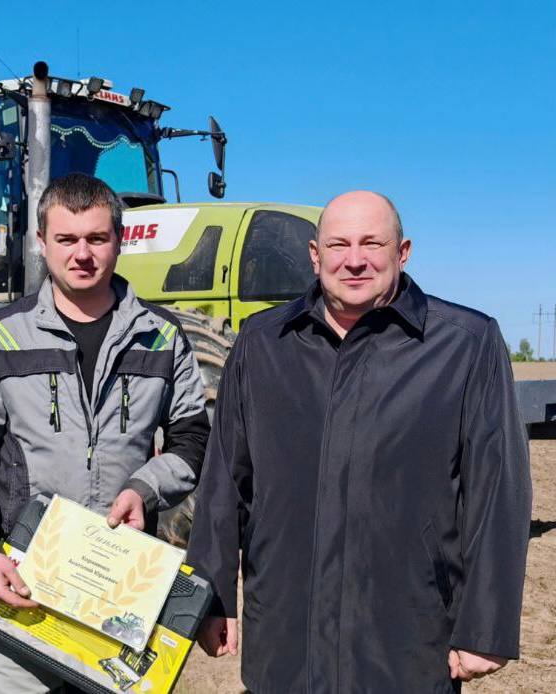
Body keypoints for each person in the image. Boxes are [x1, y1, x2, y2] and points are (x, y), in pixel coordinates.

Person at [188, 190, 532, 692]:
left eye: (372, 243)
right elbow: (223, 481)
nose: (354, 260)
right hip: (285, 631)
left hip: (407, 636)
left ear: (403, 252)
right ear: (315, 255)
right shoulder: (262, 343)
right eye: (338, 245)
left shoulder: (464, 344)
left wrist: (486, 625)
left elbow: (498, 491)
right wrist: (209, 596)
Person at [0, 173, 210, 692]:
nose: (81, 254)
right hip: (23, 584)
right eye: (66, 239)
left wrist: (144, 488)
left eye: (96, 238)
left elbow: (193, 442)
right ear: (42, 242)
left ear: (120, 240)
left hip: (121, 588)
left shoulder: (161, 337)